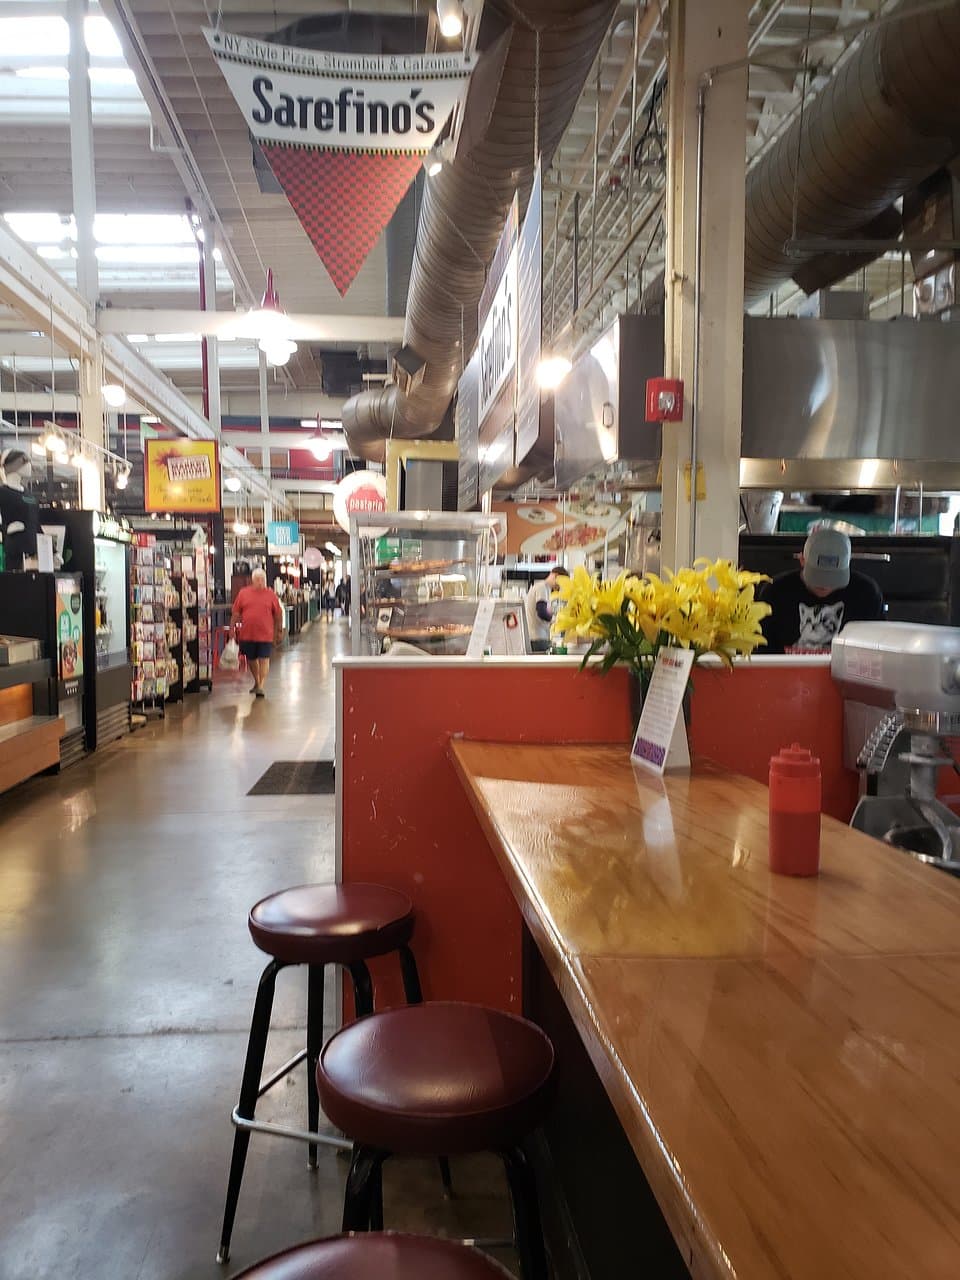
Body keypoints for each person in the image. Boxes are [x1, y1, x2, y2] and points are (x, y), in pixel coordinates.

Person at [760, 524, 884, 654]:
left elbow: (879, 648)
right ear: (802, 559)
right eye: (817, 575)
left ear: (848, 564)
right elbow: (760, 650)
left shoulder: (866, 594)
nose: (825, 585)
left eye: (833, 578)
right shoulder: (776, 591)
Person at [231, 568, 283, 697]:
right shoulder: (243, 593)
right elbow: (236, 613)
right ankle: (257, 681)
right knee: (251, 659)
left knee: (264, 659)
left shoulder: (271, 594)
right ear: (252, 580)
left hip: (266, 634)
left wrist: (279, 631)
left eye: (263, 579)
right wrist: (231, 628)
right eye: (258, 579)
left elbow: (278, 615)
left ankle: (261, 686)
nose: (261, 582)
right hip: (247, 634)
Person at [524, 566, 569, 654]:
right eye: (561, 583)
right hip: (538, 638)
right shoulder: (542, 587)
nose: (559, 586)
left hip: (537, 636)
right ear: (556, 576)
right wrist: (557, 620)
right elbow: (542, 612)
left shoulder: (544, 588)